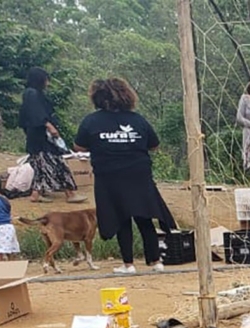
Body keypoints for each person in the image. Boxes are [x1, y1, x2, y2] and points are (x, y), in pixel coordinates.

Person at [74, 77, 176, 275]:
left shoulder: (91, 121)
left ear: (97, 97)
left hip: (109, 178)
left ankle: (128, 264)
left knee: (121, 219)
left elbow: (79, 146)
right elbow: (154, 145)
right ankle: (156, 261)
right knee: (144, 217)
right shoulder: (137, 120)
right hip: (139, 175)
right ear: (127, 95)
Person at [19, 67, 83, 204]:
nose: (47, 83)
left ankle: (36, 194)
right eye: (46, 79)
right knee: (58, 163)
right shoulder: (32, 94)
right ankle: (70, 193)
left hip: (35, 136)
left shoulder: (31, 94)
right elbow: (37, 114)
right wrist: (49, 125)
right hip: (41, 137)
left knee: (41, 166)